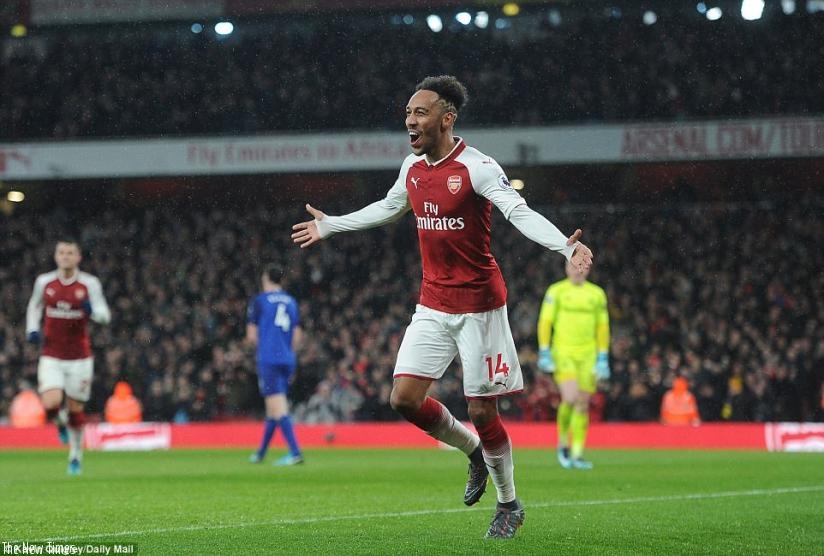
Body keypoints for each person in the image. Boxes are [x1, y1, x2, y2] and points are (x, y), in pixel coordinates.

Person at [291, 75, 593, 539]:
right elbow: (389, 208)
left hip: (480, 308)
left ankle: (509, 503)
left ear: (447, 118)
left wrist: (563, 247)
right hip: (432, 303)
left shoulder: (478, 167)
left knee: (483, 411)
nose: (410, 121)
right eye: (408, 113)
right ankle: (473, 452)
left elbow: (518, 211)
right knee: (404, 399)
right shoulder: (411, 169)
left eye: (420, 113)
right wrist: (333, 225)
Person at [25, 238, 111, 475]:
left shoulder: (89, 284)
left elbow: (105, 315)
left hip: (80, 358)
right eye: (61, 252)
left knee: (76, 410)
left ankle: (75, 456)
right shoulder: (45, 282)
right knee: (50, 403)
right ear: (55, 256)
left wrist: (93, 312)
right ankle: (60, 423)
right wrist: (32, 329)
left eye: (70, 253)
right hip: (51, 354)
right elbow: (34, 306)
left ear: (78, 257)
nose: (65, 256)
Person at [537, 260, 610, 470]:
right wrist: (544, 350)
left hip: (588, 356)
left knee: (583, 403)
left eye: (582, 267)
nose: (578, 271)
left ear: (588, 269)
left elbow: (603, 327)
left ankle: (577, 453)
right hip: (564, 353)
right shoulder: (556, 291)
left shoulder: (597, 294)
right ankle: (562, 445)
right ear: (566, 268)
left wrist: (603, 356)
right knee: (569, 397)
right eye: (574, 266)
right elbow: (545, 322)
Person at [246, 264, 305, 466]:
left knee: (278, 407)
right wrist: (287, 352)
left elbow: (251, 336)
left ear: (265, 278)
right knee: (272, 409)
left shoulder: (260, 301)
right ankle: (261, 453)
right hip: (287, 358)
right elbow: (297, 335)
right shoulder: (291, 301)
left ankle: (295, 452)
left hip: (269, 358)